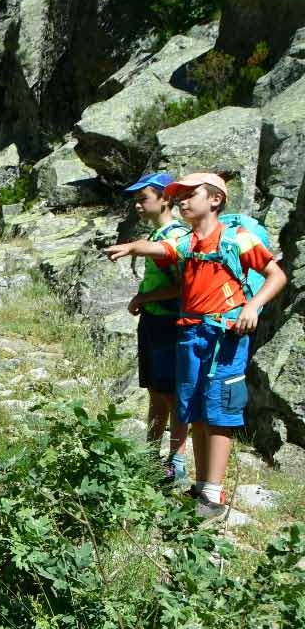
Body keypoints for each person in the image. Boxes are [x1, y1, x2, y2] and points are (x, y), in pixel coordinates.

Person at [105, 173, 287, 518]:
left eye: (190, 195)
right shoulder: (189, 242)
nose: (182, 201)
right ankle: (203, 486)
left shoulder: (237, 238)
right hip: (191, 335)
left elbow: (275, 275)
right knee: (197, 409)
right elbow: (162, 248)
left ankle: (214, 495)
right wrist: (132, 246)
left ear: (215, 200)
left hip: (224, 337)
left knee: (219, 411)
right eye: (179, 196)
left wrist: (251, 307)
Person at [122, 172, 189, 485]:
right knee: (155, 392)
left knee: (171, 395)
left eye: (143, 198)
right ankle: (150, 455)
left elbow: (182, 287)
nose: (138, 205)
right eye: (136, 199)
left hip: (167, 322)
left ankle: (176, 462)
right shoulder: (158, 235)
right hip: (153, 320)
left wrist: (143, 297)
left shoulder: (174, 237)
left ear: (166, 199)